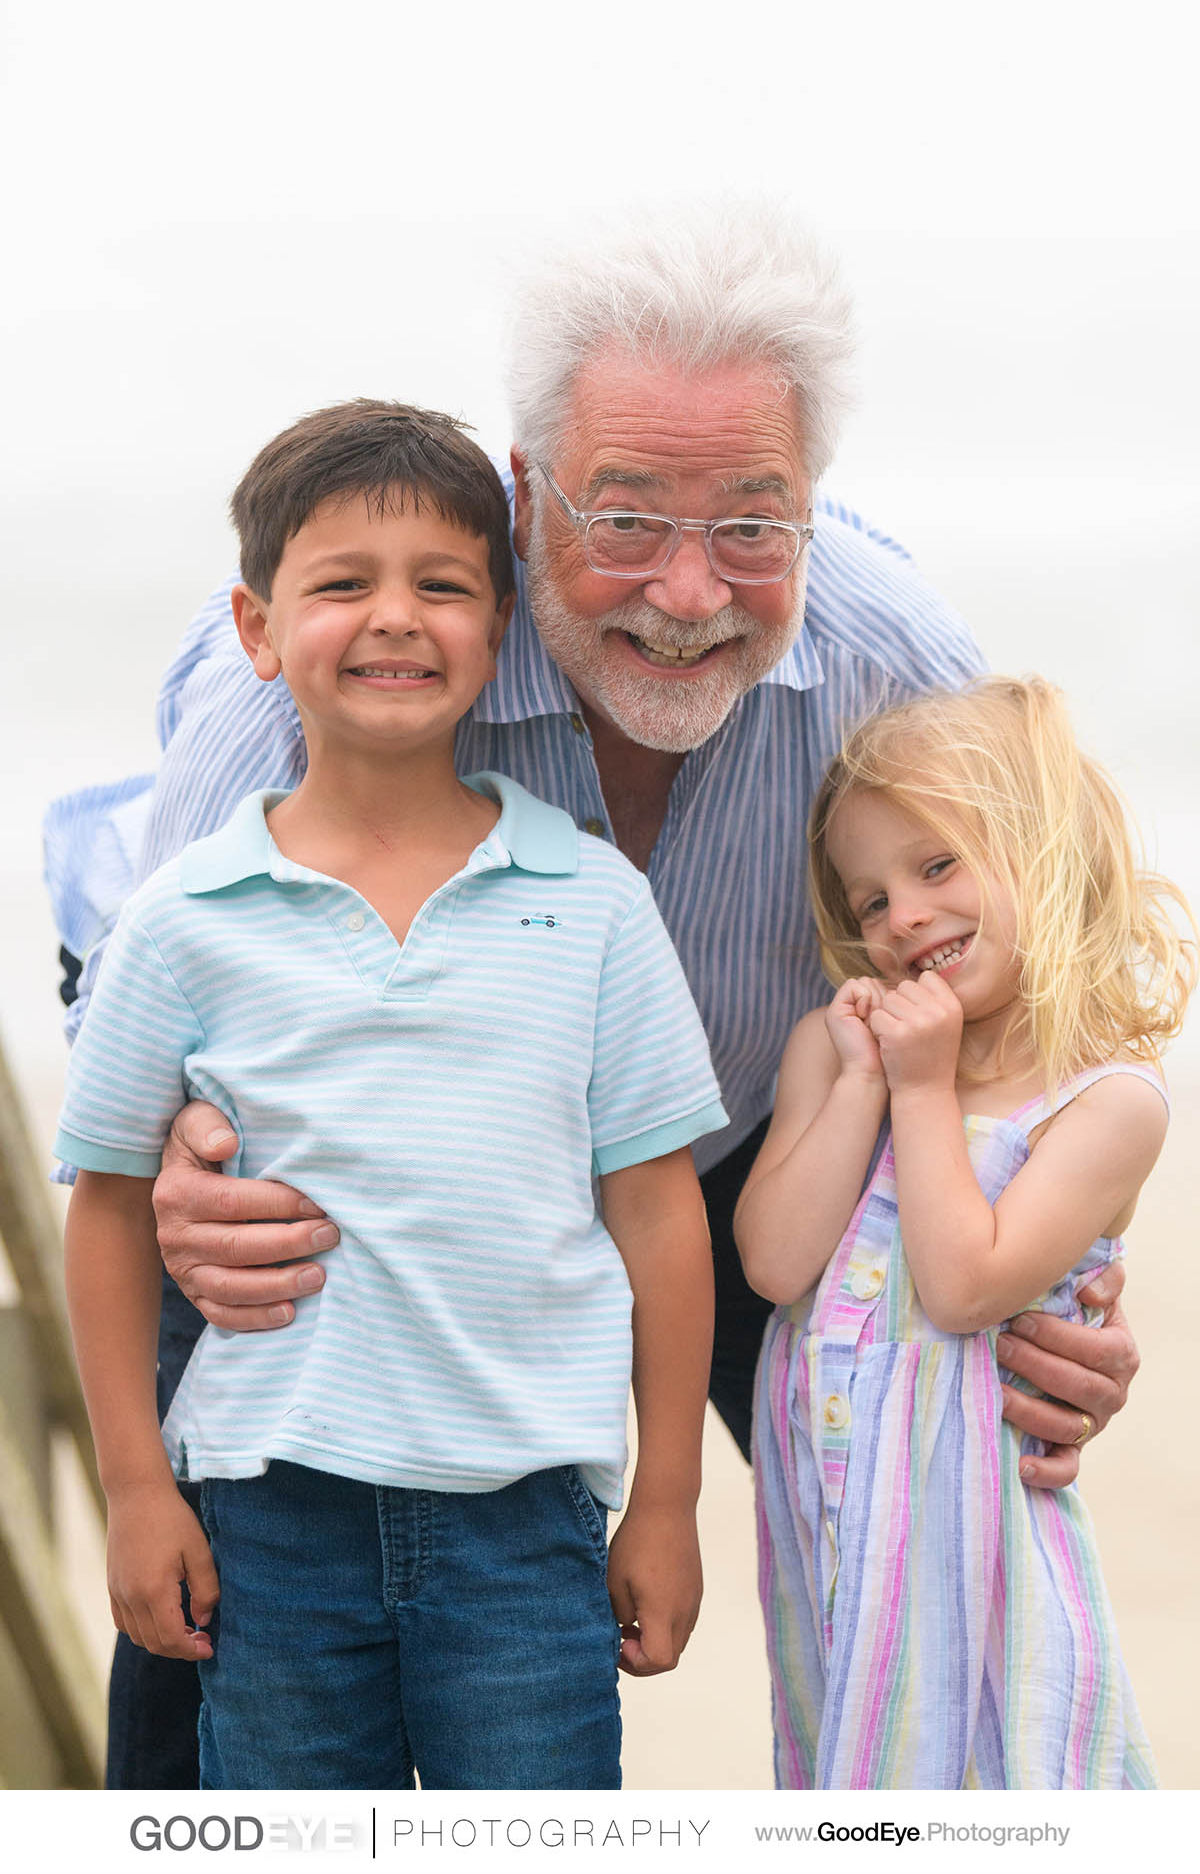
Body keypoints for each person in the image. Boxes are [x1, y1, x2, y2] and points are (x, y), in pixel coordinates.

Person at [53, 204, 1142, 1789]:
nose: (692, 591)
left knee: (941, 1470)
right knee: (211, 1643)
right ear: (524, 489)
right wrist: (175, 1183)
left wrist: (1072, 1283)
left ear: (816, 510)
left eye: (756, 523)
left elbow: (1019, 990)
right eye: (625, 517)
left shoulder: (897, 666)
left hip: (746, 1152)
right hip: (330, 1184)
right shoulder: (311, 686)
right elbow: (155, 1034)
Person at [55, 400, 727, 1790]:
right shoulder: (184, 918)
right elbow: (112, 1209)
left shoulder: (598, 903)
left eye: (441, 586)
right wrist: (136, 1490)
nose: (395, 619)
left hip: (527, 1527)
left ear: (500, 631)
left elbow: (658, 1213)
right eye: (342, 584)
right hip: (268, 1519)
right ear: (255, 628)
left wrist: (666, 1497)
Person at [736, 677, 1195, 1788]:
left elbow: (964, 1285)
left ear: (1042, 851)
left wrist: (925, 1090)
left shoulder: (1103, 1103)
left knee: (994, 1757)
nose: (902, 919)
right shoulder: (832, 1050)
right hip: (831, 1507)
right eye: (869, 901)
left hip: (968, 1519)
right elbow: (775, 1262)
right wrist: (863, 1087)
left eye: (936, 867)